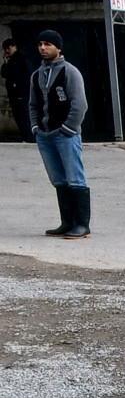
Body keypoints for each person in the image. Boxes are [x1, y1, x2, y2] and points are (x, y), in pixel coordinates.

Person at [28, 29, 91, 240]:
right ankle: (67, 222)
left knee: (75, 177)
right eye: (40, 44)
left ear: (58, 47)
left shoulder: (69, 72)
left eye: (48, 44)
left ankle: (82, 224)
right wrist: (36, 128)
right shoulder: (37, 75)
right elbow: (33, 104)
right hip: (44, 136)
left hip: (65, 135)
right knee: (58, 179)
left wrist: (68, 128)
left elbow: (79, 104)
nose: (43, 48)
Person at [1, 39, 30, 143]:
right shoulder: (11, 59)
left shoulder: (20, 58)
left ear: (14, 47)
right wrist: (5, 61)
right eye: (6, 49)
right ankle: (25, 137)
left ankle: (28, 137)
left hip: (20, 93)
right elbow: (4, 74)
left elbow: (12, 73)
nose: (7, 51)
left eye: (9, 48)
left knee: (23, 116)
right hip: (14, 94)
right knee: (18, 116)